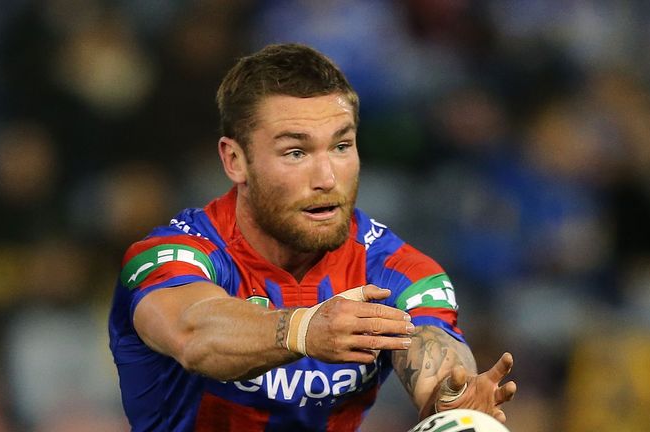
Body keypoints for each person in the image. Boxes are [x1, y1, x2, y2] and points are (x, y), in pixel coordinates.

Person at [108, 43, 516, 431]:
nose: (326, 179)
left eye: (341, 146)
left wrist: (452, 398)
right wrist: (305, 329)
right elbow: (194, 334)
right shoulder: (171, 255)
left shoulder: (396, 270)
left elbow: (435, 351)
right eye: (295, 153)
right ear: (235, 161)